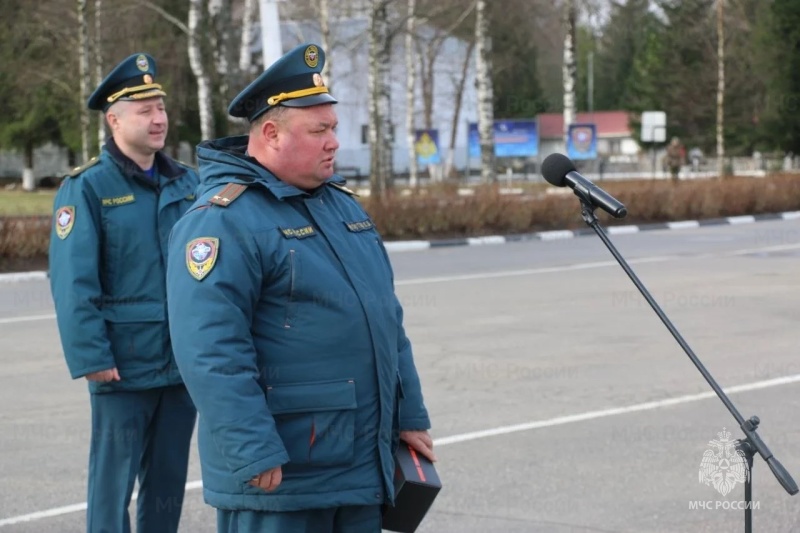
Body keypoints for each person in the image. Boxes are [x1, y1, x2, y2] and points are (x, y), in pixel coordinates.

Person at [165, 42, 435, 533]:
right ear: (271, 133)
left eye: (334, 128)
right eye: (320, 131)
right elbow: (209, 350)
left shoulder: (344, 208)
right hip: (283, 474)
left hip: (358, 466)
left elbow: (387, 321)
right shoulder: (223, 222)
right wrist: (251, 446)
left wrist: (409, 414)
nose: (334, 142)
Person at [48, 52, 199, 533]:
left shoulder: (189, 185)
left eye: (161, 108)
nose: (158, 120)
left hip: (182, 363)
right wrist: (91, 354)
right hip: (122, 364)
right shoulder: (87, 189)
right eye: (144, 110)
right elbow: (73, 282)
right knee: (112, 485)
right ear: (114, 119)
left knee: (167, 483)